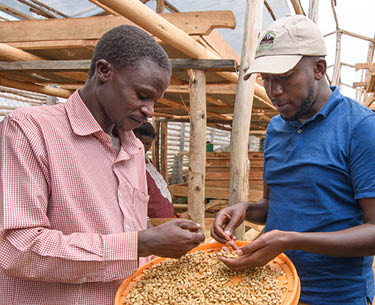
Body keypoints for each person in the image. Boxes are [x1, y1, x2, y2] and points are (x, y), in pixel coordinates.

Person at [0, 25, 204, 305]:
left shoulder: (132, 147)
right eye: (142, 95)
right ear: (104, 71)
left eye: (154, 100)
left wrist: (166, 250)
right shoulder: (30, 130)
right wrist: (141, 243)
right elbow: (16, 249)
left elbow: (128, 238)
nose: (150, 110)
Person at [211, 15, 375, 305]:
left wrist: (291, 240)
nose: (273, 91)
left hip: (336, 296)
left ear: (319, 68)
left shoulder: (360, 127)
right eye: (266, 79)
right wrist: (245, 209)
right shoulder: (276, 128)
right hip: (275, 288)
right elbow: (274, 206)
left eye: (284, 77)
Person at [133, 122, 175, 218]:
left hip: (165, 219)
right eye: (140, 142)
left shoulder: (148, 162)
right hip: (153, 222)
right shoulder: (133, 164)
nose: (143, 147)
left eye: (147, 144)